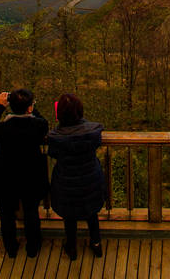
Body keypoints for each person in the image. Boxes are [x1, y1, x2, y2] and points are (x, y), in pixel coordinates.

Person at [0, 88, 49, 258]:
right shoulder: (38, 126)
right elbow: (44, 122)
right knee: (31, 212)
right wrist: (32, 107)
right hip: (30, 176)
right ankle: (33, 248)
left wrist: (0, 107)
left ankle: (11, 248)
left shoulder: (3, 128)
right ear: (29, 108)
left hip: (7, 176)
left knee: (6, 214)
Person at [47, 93, 105, 260]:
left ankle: (71, 248)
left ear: (60, 116)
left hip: (66, 183)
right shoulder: (92, 133)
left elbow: (53, 153)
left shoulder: (56, 138)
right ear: (80, 113)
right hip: (90, 181)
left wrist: (60, 125)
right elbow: (91, 135)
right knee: (91, 213)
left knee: (69, 217)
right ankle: (96, 244)